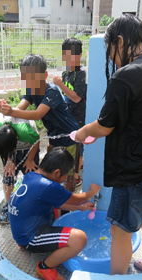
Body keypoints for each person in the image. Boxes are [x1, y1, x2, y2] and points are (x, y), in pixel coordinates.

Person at [74, 14, 142, 274]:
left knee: (119, 231)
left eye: (111, 52)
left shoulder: (126, 75)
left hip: (136, 174)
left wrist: (82, 132)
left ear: (119, 41)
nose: (112, 59)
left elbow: (104, 126)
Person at [8, 147, 101, 280]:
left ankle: (27, 245)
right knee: (79, 239)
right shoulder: (48, 186)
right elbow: (76, 198)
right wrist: (91, 193)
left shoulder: (31, 176)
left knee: (56, 212)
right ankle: (45, 267)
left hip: (20, 231)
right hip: (30, 238)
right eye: (65, 175)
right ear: (57, 172)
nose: (64, 179)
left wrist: (80, 208)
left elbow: (58, 203)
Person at [0, 54, 79, 193]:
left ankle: (67, 207)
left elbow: (38, 114)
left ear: (44, 74)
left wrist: (12, 112)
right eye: (25, 77)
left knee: (67, 174)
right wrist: (6, 109)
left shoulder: (51, 91)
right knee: (50, 170)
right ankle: (53, 200)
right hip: (54, 136)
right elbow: (20, 108)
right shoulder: (30, 89)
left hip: (69, 136)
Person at [0, 113, 40, 224]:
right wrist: (9, 160)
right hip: (7, 147)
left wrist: (29, 160)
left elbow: (36, 140)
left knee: (32, 177)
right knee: (8, 175)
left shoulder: (25, 132)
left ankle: (34, 204)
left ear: (17, 138)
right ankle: (9, 206)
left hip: (29, 146)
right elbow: (0, 148)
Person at [53, 38, 87, 186]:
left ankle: (77, 176)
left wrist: (60, 84)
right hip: (68, 117)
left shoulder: (82, 73)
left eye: (72, 55)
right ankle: (72, 171)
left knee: (78, 147)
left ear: (79, 56)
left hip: (79, 118)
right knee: (69, 146)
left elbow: (77, 97)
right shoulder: (66, 72)